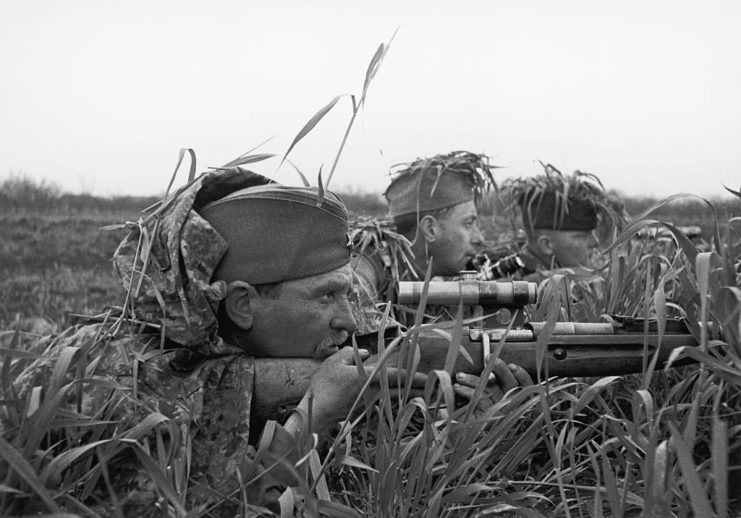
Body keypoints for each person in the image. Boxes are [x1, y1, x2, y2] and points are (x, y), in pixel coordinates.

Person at [4, 168, 425, 516]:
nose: (349, 319)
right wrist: (308, 420)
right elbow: (214, 507)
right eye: (326, 296)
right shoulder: (129, 386)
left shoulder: (226, 337)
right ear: (242, 304)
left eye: (346, 292)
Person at [351, 150, 497, 308]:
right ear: (430, 229)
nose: (479, 238)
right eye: (468, 223)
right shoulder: (363, 273)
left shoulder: (429, 280)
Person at [490, 163, 629, 282]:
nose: (595, 241)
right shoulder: (509, 285)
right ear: (546, 245)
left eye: (592, 232)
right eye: (581, 235)